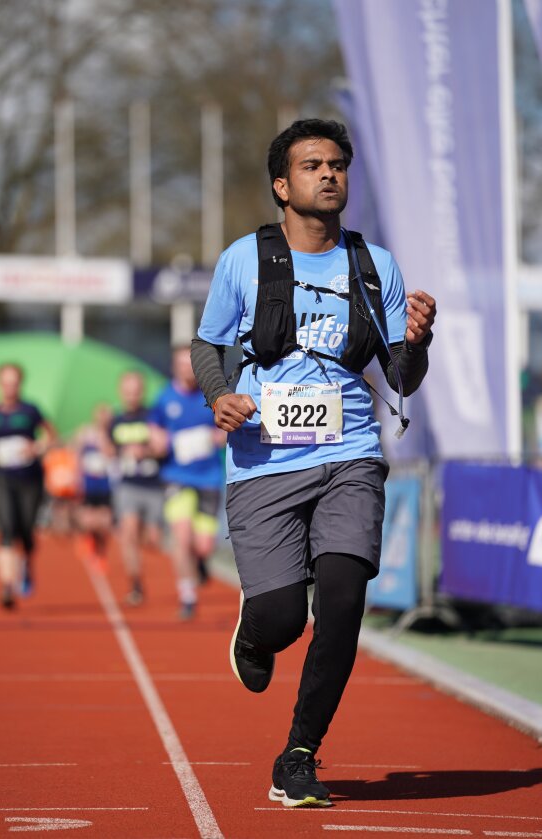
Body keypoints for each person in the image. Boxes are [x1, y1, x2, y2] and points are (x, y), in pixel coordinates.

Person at [191, 119, 436, 807]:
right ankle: (256, 631)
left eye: (337, 165)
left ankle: (297, 754)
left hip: (350, 455)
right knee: (283, 622)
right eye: (311, 165)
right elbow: (207, 345)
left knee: (343, 600)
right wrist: (219, 395)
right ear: (282, 184)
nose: (328, 174)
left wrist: (419, 341)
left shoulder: (375, 265)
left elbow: (401, 378)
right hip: (263, 461)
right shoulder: (244, 259)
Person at [152, 346, 226, 620]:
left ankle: (200, 561)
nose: (187, 370)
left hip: (208, 477)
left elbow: (226, 429)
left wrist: (216, 437)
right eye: (182, 364)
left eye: (191, 364)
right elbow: (154, 434)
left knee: (204, 545)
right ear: (174, 367)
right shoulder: (164, 398)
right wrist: (160, 442)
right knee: (181, 537)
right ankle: (187, 595)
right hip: (176, 477)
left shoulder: (212, 395)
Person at [0, 363, 56, 608]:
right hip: (3, 477)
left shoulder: (30, 410)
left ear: (20, 384)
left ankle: (26, 564)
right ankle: (6, 586)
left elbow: (51, 435)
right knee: (6, 528)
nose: (9, 387)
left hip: (30, 479)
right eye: (5, 382)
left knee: (25, 530)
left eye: (14, 383)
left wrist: (36, 447)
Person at [109, 371, 166, 606]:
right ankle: (135, 583)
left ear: (142, 392)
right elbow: (108, 450)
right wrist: (121, 452)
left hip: (154, 485)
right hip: (128, 485)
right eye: (127, 392)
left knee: (153, 539)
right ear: (121, 393)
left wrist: (147, 451)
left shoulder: (153, 417)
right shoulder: (116, 421)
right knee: (128, 533)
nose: (131, 396)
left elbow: (165, 447)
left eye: (136, 391)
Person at [73, 403, 114, 572]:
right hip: (89, 483)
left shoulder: (112, 435)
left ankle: (101, 552)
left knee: (105, 522)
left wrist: (104, 441)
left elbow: (112, 454)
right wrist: (76, 478)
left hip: (105, 484)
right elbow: (76, 454)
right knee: (87, 521)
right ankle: (90, 542)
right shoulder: (85, 433)